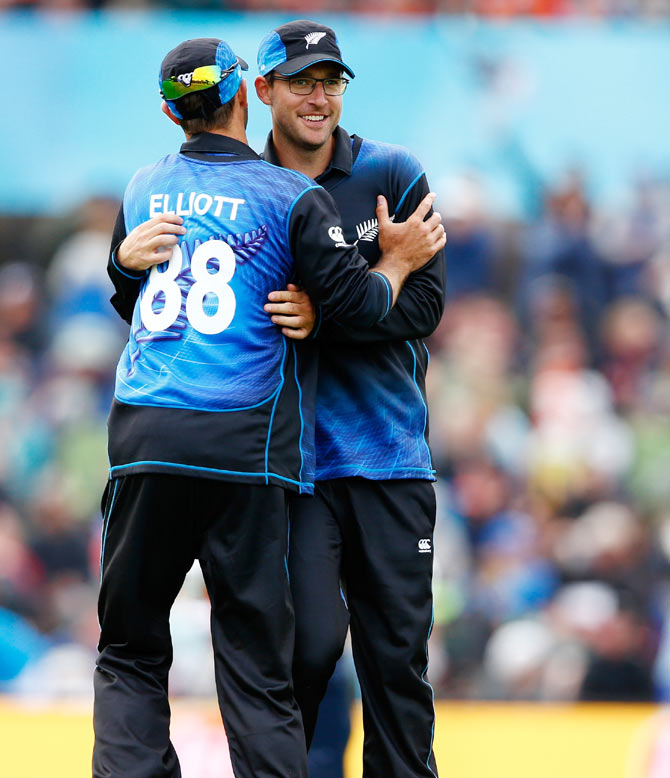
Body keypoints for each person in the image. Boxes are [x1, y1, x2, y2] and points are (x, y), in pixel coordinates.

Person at [95, 36, 445, 778]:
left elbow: (426, 306)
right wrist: (387, 265)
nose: (318, 97)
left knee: (396, 663)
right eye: (301, 83)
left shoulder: (391, 171)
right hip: (283, 468)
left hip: (381, 456)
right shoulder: (278, 192)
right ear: (258, 93)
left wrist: (326, 313)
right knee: (297, 652)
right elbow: (364, 293)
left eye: (331, 82)